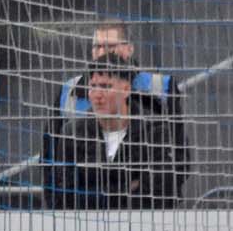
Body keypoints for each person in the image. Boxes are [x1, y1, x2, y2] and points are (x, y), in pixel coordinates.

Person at [42, 56, 188, 208]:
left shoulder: (154, 130)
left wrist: (94, 193)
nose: (97, 95)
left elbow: (160, 194)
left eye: (106, 87)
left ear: (126, 90)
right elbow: (64, 196)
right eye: (92, 87)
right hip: (89, 222)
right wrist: (128, 188)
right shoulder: (72, 133)